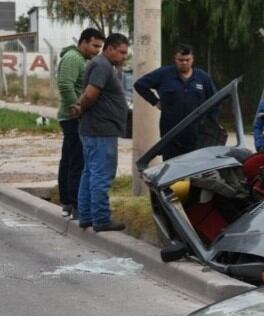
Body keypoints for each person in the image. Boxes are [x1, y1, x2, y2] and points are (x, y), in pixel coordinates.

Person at [73, 33, 129, 232]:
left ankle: (87, 216)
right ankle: (101, 218)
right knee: (101, 175)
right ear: (110, 48)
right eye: (121, 52)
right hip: (101, 130)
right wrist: (83, 108)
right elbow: (90, 94)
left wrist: (82, 109)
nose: (124, 56)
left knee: (90, 173)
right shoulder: (102, 66)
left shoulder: (102, 65)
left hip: (96, 129)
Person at [134, 44, 217, 159]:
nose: (184, 63)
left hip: (196, 134)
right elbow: (140, 85)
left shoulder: (202, 77)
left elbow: (215, 102)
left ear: (192, 59)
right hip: (171, 134)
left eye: (187, 60)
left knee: (193, 168)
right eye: (181, 60)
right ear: (175, 59)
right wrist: (155, 101)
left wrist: (210, 122)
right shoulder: (164, 74)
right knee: (172, 168)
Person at [56, 28, 105, 219]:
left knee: (70, 159)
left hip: (72, 117)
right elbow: (65, 85)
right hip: (72, 118)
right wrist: (78, 108)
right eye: (94, 45)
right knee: (77, 161)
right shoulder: (73, 58)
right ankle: (75, 203)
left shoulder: (81, 59)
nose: (97, 50)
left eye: (100, 47)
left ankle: (68, 201)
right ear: (83, 42)